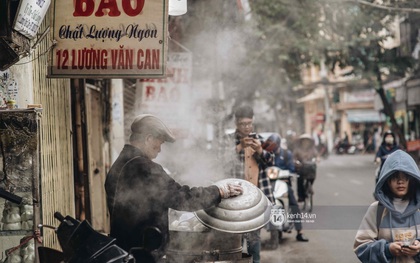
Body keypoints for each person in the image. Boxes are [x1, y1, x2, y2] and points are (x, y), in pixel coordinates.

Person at [105, 114, 243, 262]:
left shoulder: (119, 164)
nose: (159, 150)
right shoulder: (144, 167)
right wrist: (219, 191)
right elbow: (181, 197)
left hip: (122, 249)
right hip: (142, 253)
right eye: (160, 142)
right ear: (149, 138)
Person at [218, 105, 274, 263]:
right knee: (233, 242)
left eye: (249, 123)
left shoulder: (261, 140)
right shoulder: (227, 140)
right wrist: (239, 147)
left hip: (255, 199)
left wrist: (260, 150)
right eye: (243, 124)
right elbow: (219, 162)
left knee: (254, 241)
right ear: (236, 123)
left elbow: (271, 162)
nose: (247, 127)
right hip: (233, 200)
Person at [354, 150, 420, 262]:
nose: (400, 182)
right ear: (386, 180)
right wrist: (386, 249)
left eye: (405, 177)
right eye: (395, 177)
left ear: (412, 180)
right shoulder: (377, 209)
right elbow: (361, 247)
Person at [263, 133, 309, 244]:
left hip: (284, 182)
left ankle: (300, 232)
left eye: (273, 144)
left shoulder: (286, 154)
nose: (272, 147)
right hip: (269, 184)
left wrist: (287, 172)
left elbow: (292, 169)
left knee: (293, 203)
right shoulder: (265, 155)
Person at [293, 134, 318, 202]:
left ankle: (310, 187)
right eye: (304, 141)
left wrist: (316, 159)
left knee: (312, 176)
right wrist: (296, 162)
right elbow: (294, 158)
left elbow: (316, 156)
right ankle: (301, 196)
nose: (306, 142)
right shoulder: (298, 149)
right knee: (300, 180)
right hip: (301, 167)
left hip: (310, 167)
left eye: (307, 141)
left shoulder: (312, 149)